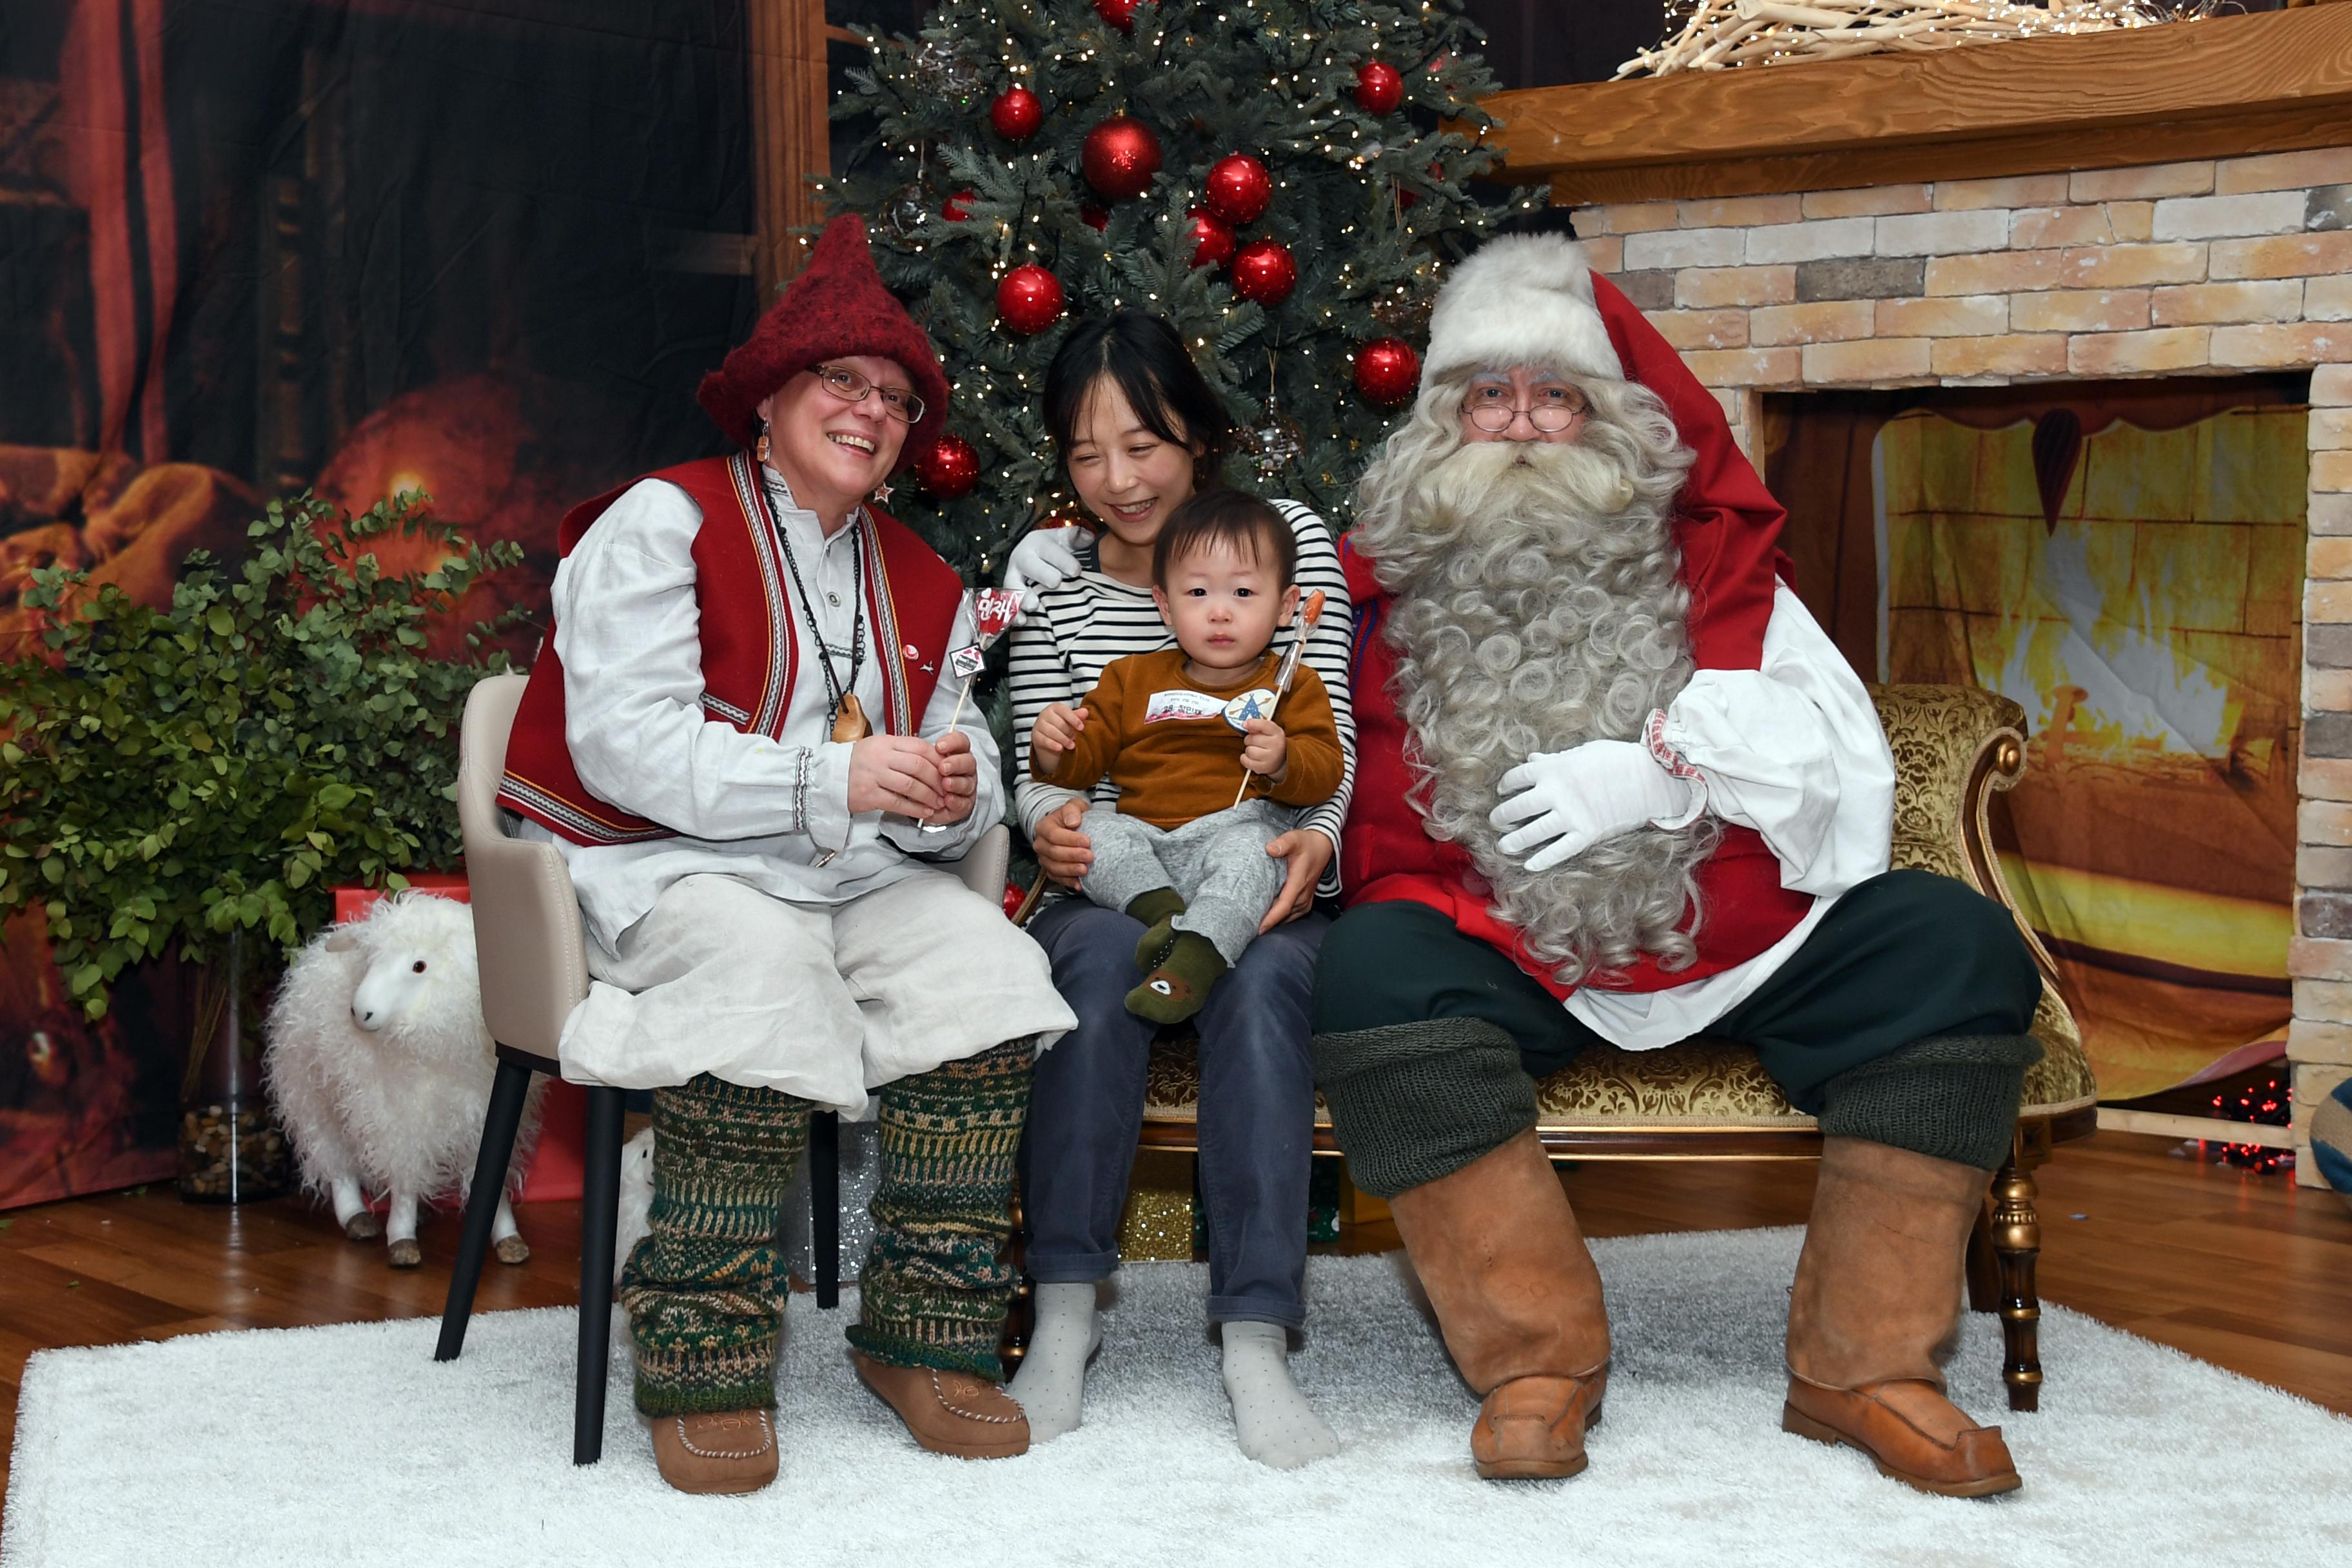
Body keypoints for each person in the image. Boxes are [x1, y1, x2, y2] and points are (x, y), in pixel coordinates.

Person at [1311, 231, 2045, 1496]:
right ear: (1445, 420)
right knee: (1373, 968)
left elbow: (1841, 773)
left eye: (1559, 394)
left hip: (1731, 931)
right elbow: (1213, 638)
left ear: (1617, 418)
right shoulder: (1373, 590)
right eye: (1493, 395)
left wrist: (1660, 773)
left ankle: (1862, 1366)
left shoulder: (1722, 572)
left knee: (1953, 945)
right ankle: (1535, 1360)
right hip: (1498, 943)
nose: (1526, 425)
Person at [496, 215, 1076, 1494]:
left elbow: (946, 760)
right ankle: (702, 1348)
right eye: (843, 383)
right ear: (770, 397)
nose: (872, 412)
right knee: (755, 961)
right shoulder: (662, 522)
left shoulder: (920, 574)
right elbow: (625, 747)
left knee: (984, 964)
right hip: (657, 865)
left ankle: (924, 1336)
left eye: (895, 397)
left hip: (846, 874)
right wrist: (836, 774)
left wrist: (949, 789)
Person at [1000, 311, 1355, 1469]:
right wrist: (1049, 821)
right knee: (1097, 964)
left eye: (1143, 443)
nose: (1118, 479)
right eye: (1087, 453)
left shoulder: (1279, 542)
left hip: (1259, 858)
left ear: (1196, 434)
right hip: (1113, 874)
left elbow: (1326, 731)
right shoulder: (1051, 583)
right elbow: (1035, 766)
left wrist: (1313, 847)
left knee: (1254, 986)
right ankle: (1061, 1318)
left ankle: (1255, 1335)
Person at [1029, 490, 1345, 1023]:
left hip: (1233, 834)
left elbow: (1326, 772)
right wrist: (1054, 749)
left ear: (1287, 606)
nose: (1220, 612)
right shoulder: (1130, 678)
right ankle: (1166, 920)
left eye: (1244, 592)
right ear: (1166, 605)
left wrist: (1287, 760)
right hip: (1146, 845)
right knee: (1095, 833)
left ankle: (1191, 964)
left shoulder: (1293, 685)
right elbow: (1085, 764)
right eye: (1198, 592)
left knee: (1258, 854)